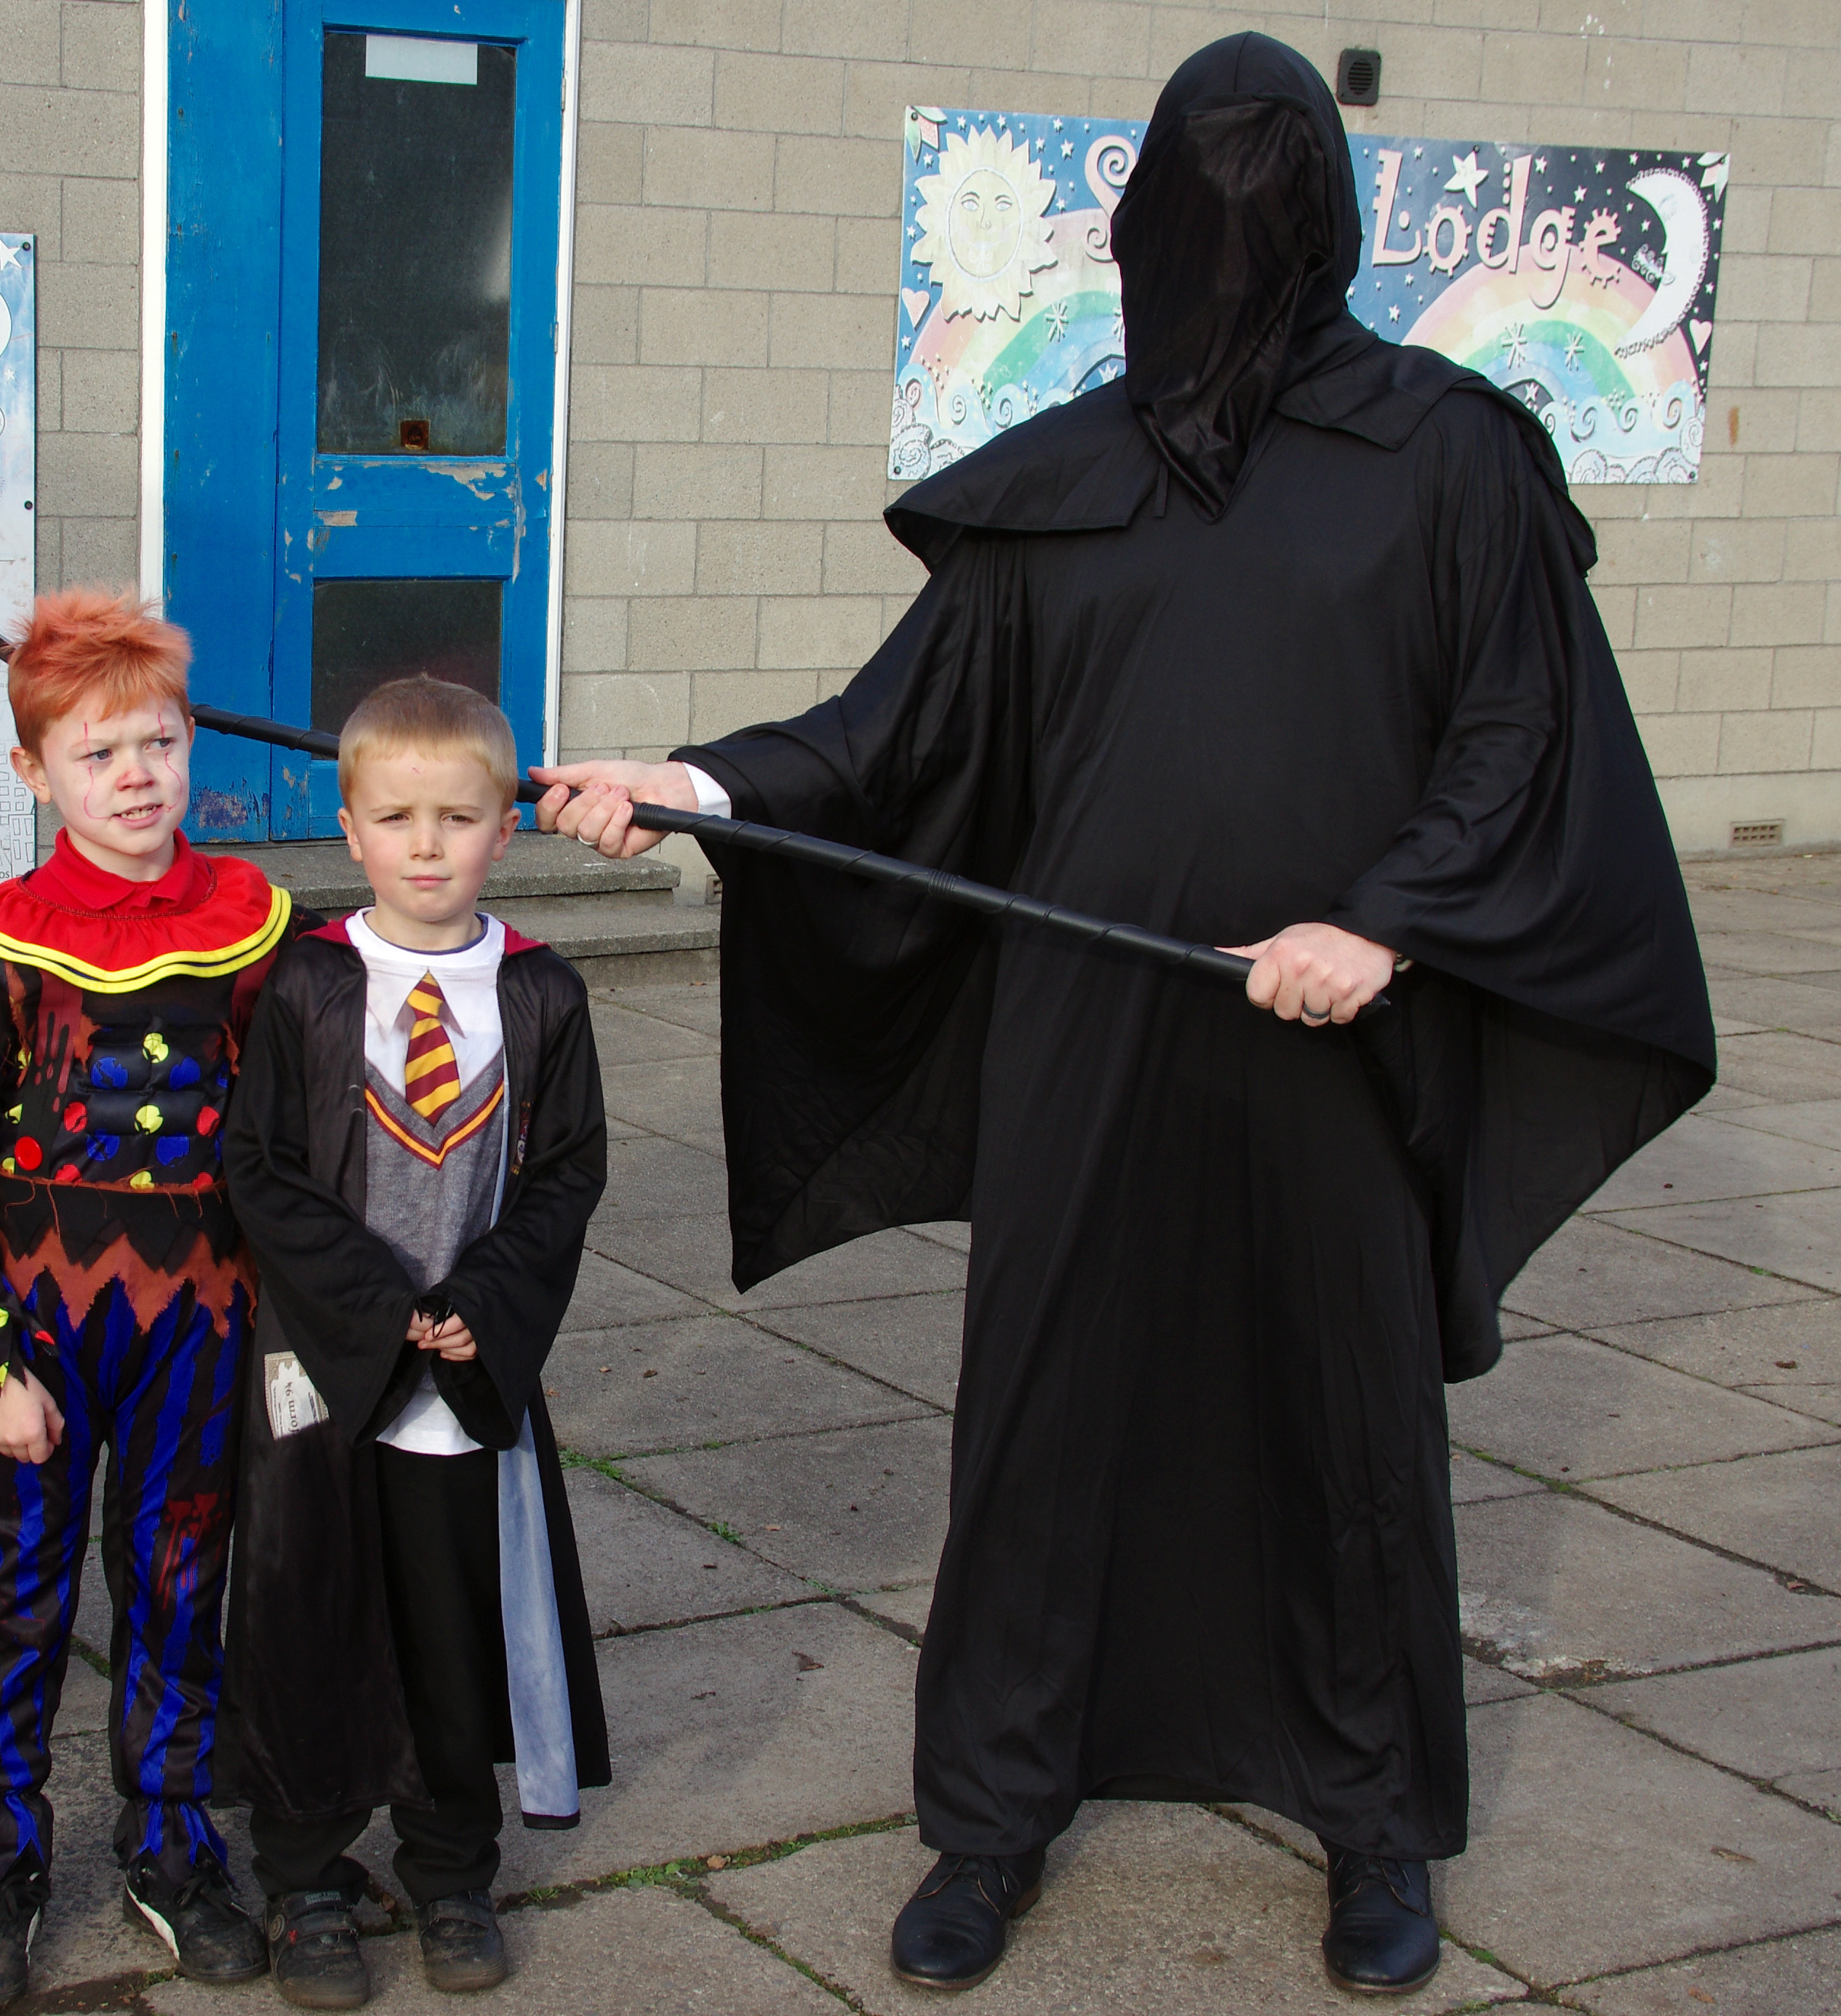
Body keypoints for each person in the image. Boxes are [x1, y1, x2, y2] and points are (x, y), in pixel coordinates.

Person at [535, 33, 1712, 2001]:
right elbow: (894, 731)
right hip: (1083, 1029)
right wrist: (693, 780)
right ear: (1147, 223)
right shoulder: (1069, 472)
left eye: (1267, 198)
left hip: (1326, 1036)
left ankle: (1370, 1823)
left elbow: (1516, 727)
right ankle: (992, 1815)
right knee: (1044, 1411)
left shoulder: (1446, 451)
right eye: (1203, 197)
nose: (1230, 237)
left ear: (1323, 223)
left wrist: (1388, 923)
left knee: (1342, 1417)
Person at [0, 589, 305, 2005]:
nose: (135, 777)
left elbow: (316, 1106)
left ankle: (174, 1843)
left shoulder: (257, 925)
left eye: (159, 743)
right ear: (34, 771)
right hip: (42, 1333)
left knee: (181, 1584)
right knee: (13, 1590)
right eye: (97, 753)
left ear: (191, 744)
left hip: (204, 1323)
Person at [220, 675, 611, 2012]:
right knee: (310, 1616)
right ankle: (306, 1877)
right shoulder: (308, 985)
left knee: (451, 1624)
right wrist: (375, 1299)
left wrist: (485, 1299)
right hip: (323, 1368)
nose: (426, 846)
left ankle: (451, 1868)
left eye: (457, 817)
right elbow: (261, 1167)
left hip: (460, 1372)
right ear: (348, 828)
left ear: (508, 826)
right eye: (395, 818)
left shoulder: (541, 995)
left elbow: (566, 1172)